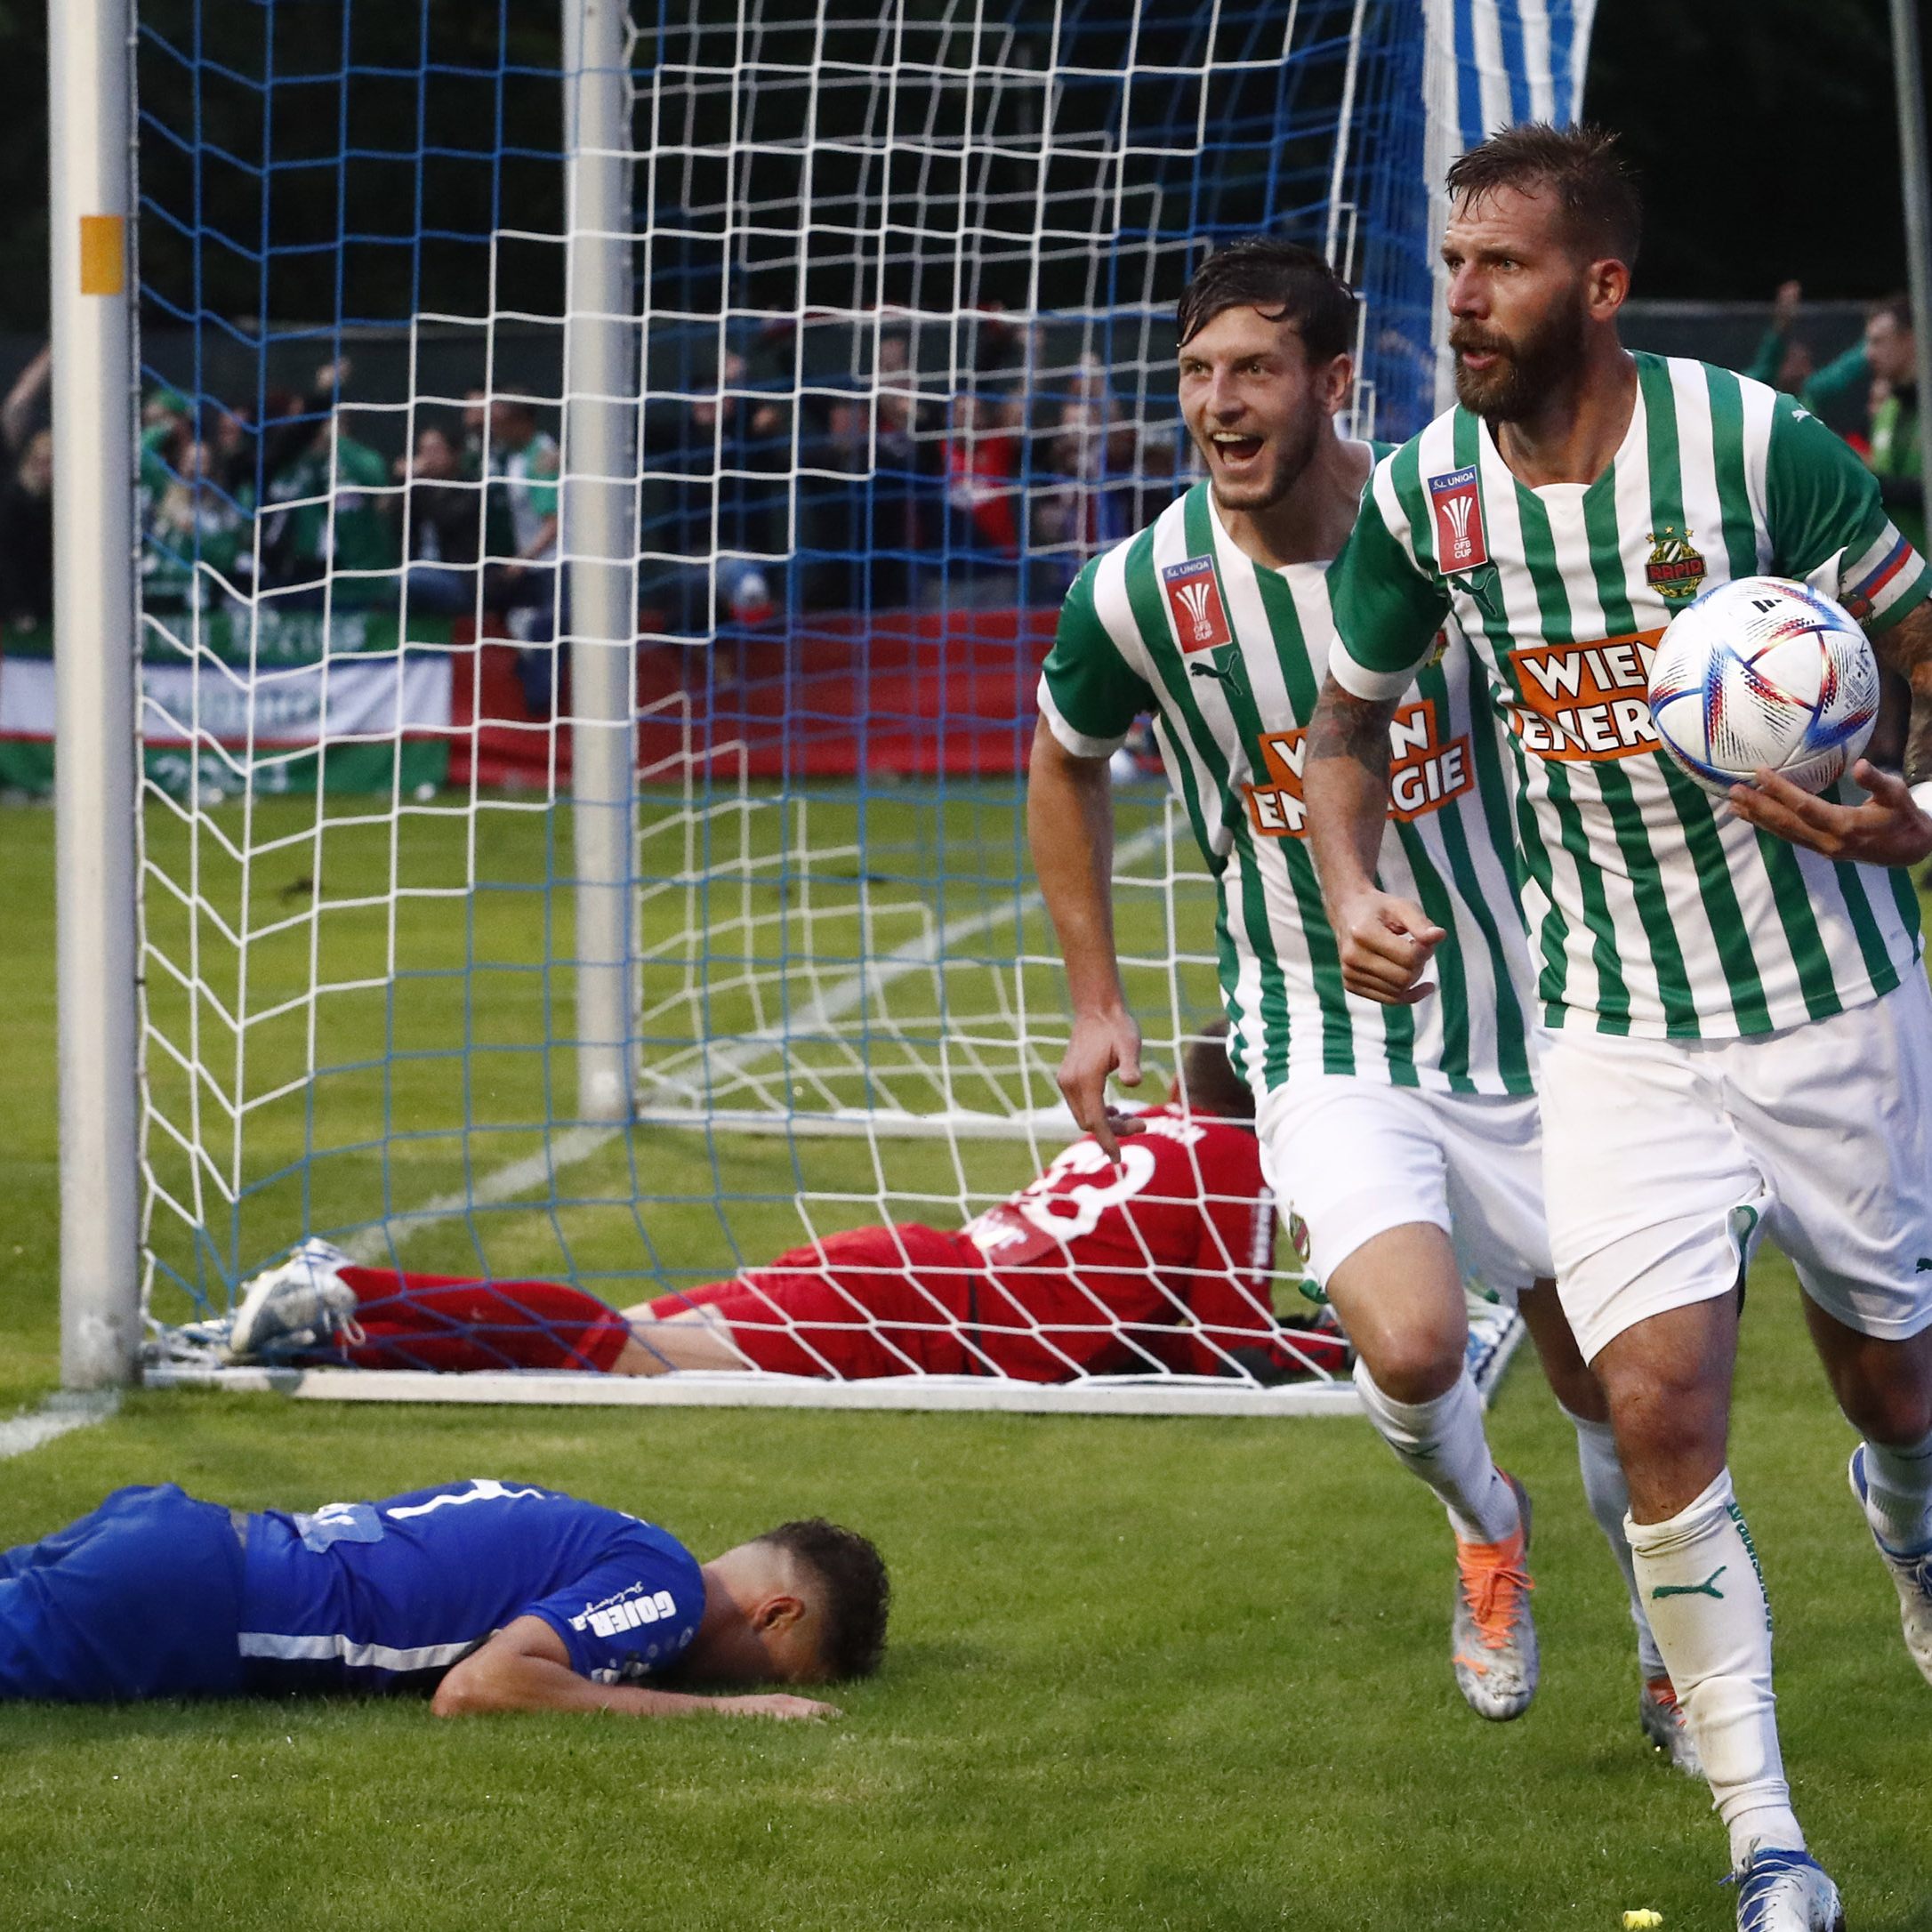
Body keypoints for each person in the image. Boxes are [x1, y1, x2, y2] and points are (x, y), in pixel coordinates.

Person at [1306, 123, 1932, 1932]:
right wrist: (1350, 882)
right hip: (1610, 1031)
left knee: (1894, 1382)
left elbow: (1923, 650)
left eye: (1499, 266)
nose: (1461, 296)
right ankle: (1769, 1843)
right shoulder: (1427, 499)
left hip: (1827, 1002)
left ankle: (1905, 1519)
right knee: (1657, 1404)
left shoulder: (1755, 443)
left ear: (1598, 284)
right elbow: (1345, 730)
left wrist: (1914, 809)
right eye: (1453, 264)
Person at [1026, 237, 1690, 1762]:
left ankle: (1670, 1636)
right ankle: (1487, 1522)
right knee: (1406, 1348)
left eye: (1255, 370)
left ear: (1331, 381)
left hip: (1541, 1017)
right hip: (1322, 1032)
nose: (1220, 403)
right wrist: (1095, 998)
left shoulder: (1446, 529)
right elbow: (1063, 758)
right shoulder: (1138, 591)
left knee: (1618, 1381)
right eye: (1197, 373)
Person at [219, 1034, 1343, 1388]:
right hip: (913, 1318)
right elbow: (1225, 1344)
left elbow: (1153, 1328)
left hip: (904, 1271)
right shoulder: (1237, 1156)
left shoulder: (1147, 1127)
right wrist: (1344, 1349)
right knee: (611, 1351)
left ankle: (344, 1334)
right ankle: (348, 1286)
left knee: (605, 1352)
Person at [0, 1476, 886, 1719]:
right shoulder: (668, 1589)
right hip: (188, 1602)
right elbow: (480, 1687)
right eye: (769, 1671)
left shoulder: (616, 1536)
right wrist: (732, 1714)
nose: (738, 1682)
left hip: (175, 1537)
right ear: (775, 1614)